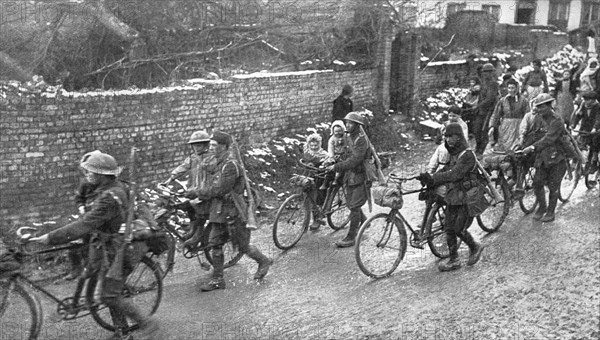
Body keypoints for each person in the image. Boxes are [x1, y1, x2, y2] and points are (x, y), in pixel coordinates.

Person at [30, 151, 161, 339]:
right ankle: (122, 332)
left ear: (101, 174)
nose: (87, 175)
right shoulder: (107, 188)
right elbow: (92, 219)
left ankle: (147, 322)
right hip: (105, 245)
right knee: (93, 276)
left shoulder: (110, 196)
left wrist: (50, 237)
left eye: (91, 172)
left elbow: (85, 223)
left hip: (119, 250)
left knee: (109, 295)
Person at [186, 131, 273, 291]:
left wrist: (198, 193)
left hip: (234, 211)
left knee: (243, 246)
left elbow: (220, 189)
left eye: (214, 145)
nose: (210, 148)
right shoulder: (218, 162)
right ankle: (218, 279)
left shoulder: (230, 165)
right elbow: (208, 172)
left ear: (224, 147)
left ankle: (263, 261)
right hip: (218, 211)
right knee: (215, 244)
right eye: (210, 145)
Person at [417, 123, 485, 272]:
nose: (448, 140)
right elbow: (446, 169)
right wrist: (427, 177)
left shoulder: (467, 155)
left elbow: (454, 174)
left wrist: (433, 178)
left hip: (466, 197)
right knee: (448, 228)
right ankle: (454, 259)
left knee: (459, 228)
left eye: (451, 136)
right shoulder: (454, 153)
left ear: (459, 137)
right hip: (454, 195)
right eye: (446, 136)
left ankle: (475, 246)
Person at [325, 112, 371, 248]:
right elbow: (344, 154)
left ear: (357, 125)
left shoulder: (361, 139)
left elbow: (354, 160)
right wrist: (331, 161)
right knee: (351, 202)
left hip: (360, 175)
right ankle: (364, 221)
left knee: (354, 206)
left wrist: (336, 167)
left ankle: (351, 237)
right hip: (349, 175)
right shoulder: (349, 136)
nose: (347, 125)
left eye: (351, 123)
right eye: (347, 122)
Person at [522, 93, 568, 222]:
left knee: (553, 186)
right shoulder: (538, 118)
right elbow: (534, 135)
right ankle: (542, 207)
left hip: (556, 157)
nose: (539, 109)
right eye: (538, 106)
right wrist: (523, 145)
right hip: (542, 156)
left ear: (549, 106)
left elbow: (549, 139)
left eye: (542, 106)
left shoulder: (557, 120)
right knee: (537, 183)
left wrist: (532, 148)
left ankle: (551, 211)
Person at [163, 130, 213, 250]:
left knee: (201, 212)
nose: (196, 148)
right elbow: (183, 167)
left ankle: (197, 235)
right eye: (194, 146)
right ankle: (193, 229)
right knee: (188, 206)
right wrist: (171, 178)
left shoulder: (211, 157)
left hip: (207, 191)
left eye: (199, 145)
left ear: (206, 145)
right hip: (194, 190)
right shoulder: (192, 158)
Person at [488, 78, 530, 152]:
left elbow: (527, 115)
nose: (511, 90)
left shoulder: (524, 101)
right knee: (505, 147)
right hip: (506, 127)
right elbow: (496, 114)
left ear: (516, 88)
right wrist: (492, 126)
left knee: (517, 147)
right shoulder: (503, 101)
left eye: (513, 88)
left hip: (519, 125)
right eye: (509, 88)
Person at [302, 133, 329, 230]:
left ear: (320, 144)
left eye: (316, 145)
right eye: (312, 145)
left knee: (317, 198)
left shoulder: (324, 154)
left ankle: (317, 219)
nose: (314, 147)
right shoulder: (307, 153)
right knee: (308, 196)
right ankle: (307, 219)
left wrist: (322, 165)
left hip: (319, 178)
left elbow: (327, 163)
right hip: (309, 176)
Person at [571, 91, 600, 173]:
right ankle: (574, 162)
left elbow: (598, 119)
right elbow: (578, 116)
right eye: (584, 99)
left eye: (587, 100)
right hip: (585, 128)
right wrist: (573, 125)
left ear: (593, 100)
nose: (585, 101)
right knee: (579, 142)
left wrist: (595, 128)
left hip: (596, 130)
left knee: (595, 143)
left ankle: (594, 162)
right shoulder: (583, 104)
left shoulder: (598, 106)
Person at [474, 63, 499, 155]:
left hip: (489, 111)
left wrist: (479, 106)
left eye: (487, 72)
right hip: (481, 111)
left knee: (485, 131)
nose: (485, 74)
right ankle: (478, 146)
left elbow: (490, 98)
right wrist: (477, 107)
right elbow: (481, 97)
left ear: (491, 72)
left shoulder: (494, 84)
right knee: (476, 130)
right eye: (484, 72)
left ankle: (481, 150)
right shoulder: (484, 82)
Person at [326, 120, 351, 186]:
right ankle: (326, 180)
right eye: (336, 131)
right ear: (333, 131)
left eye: (340, 131)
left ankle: (336, 179)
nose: (338, 133)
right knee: (328, 164)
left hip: (345, 155)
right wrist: (331, 156)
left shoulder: (346, 137)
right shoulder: (332, 139)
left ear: (343, 130)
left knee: (341, 165)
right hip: (336, 155)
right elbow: (330, 148)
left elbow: (350, 144)